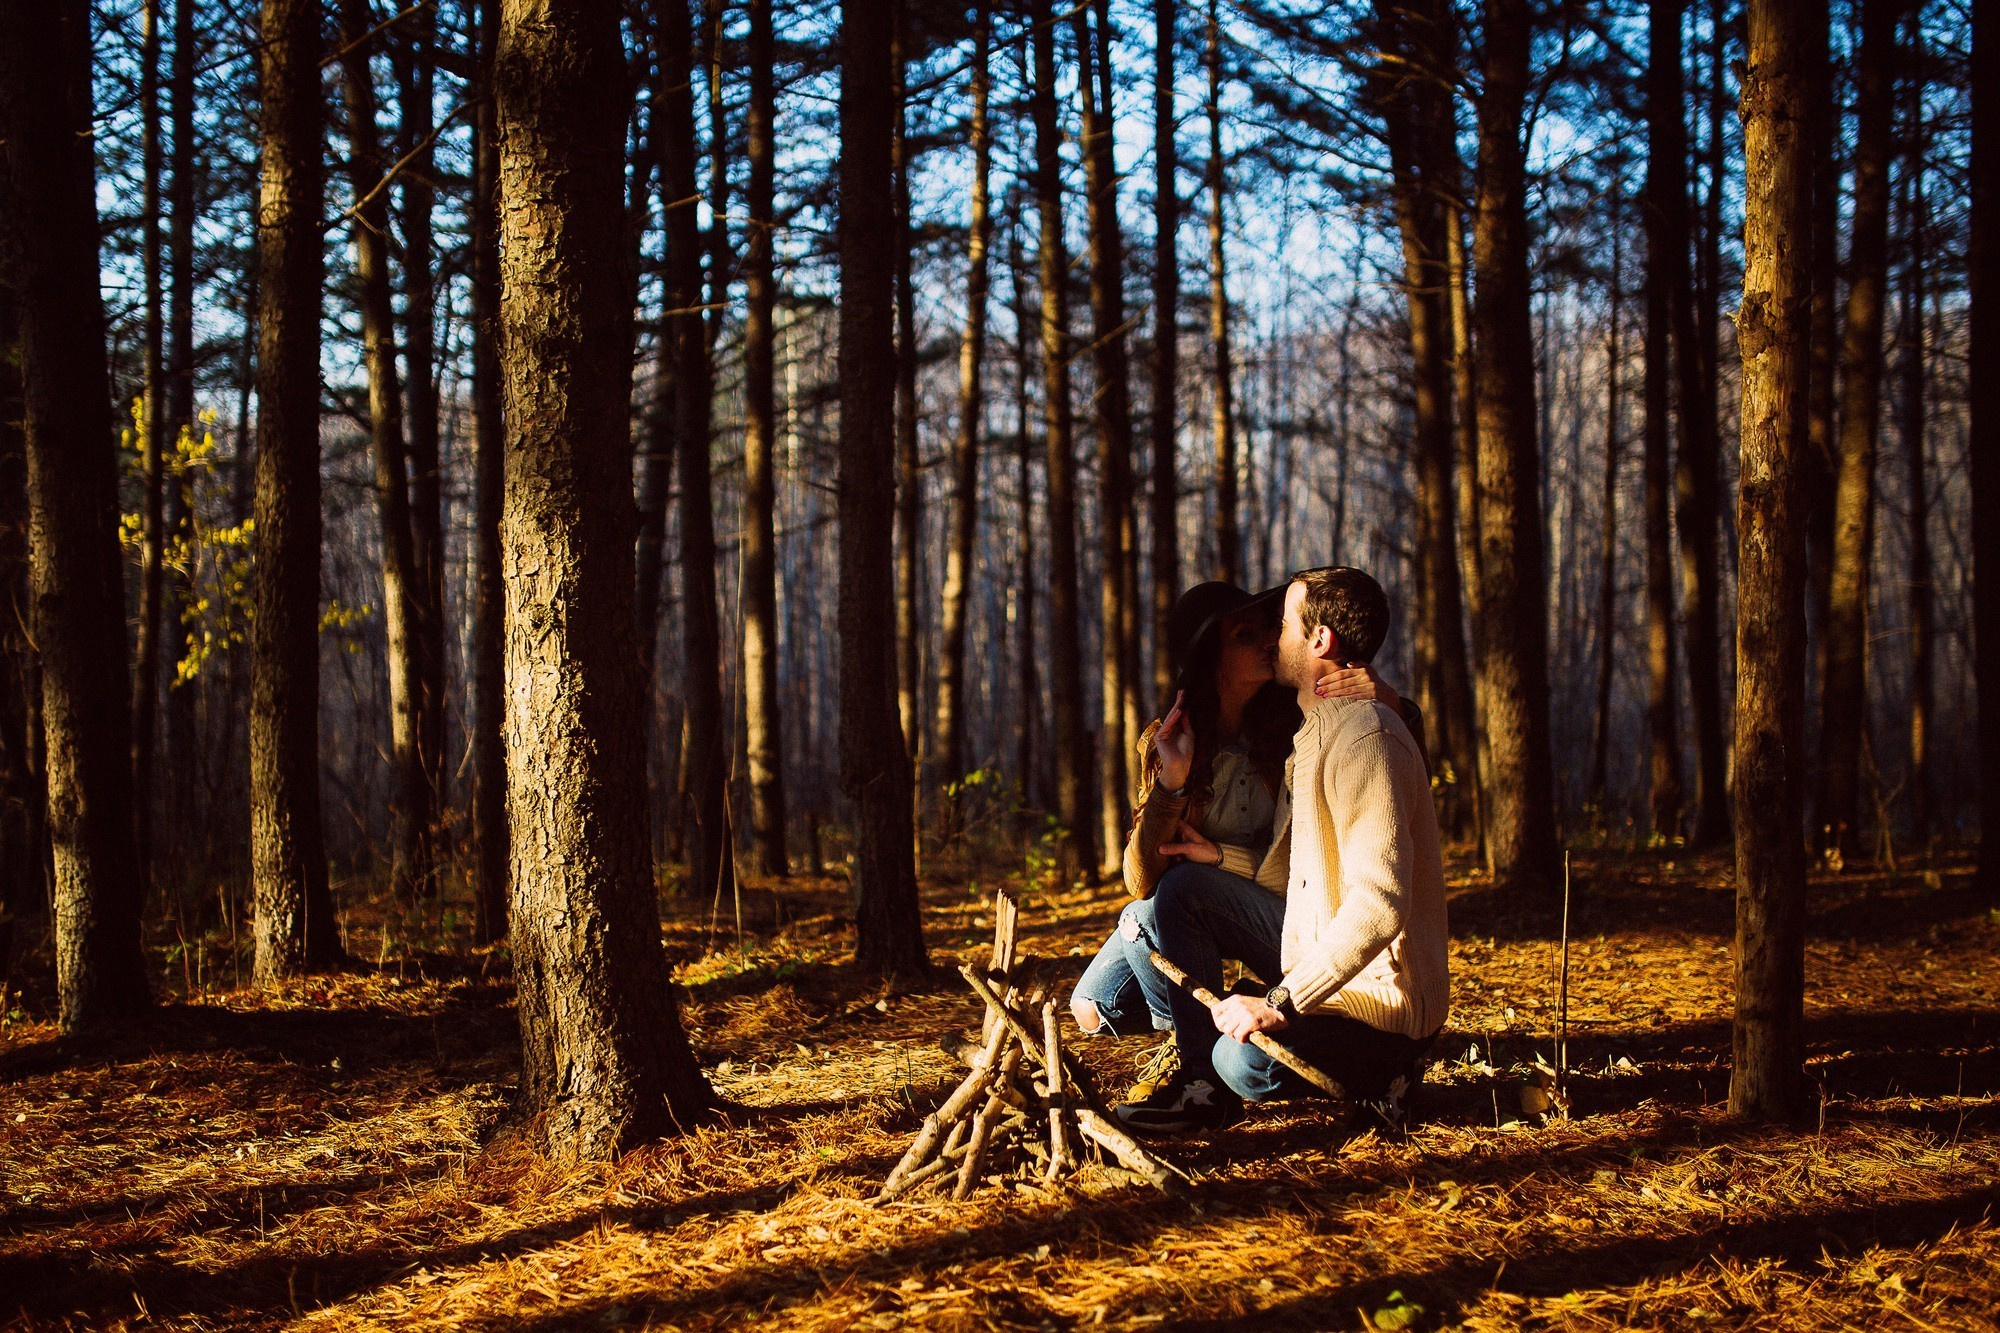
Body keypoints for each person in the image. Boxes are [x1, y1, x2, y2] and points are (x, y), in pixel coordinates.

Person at [1106, 567, 1450, 1135]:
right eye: (1257, 632)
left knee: (1240, 1060)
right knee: (1146, 935)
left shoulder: (1363, 735)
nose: (1273, 637)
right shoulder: (1310, 733)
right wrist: (1214, 850)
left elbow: (1379, 904)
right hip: (1312, 951)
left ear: (1320, 641)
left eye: (1283, 624)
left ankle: (1393, 1071)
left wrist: (1279, 1002)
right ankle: (1200, 1087)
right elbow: (1296, 872)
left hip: (1383, 1003)